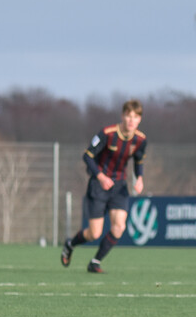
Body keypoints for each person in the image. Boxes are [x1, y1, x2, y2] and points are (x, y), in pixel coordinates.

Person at [59, 99, 148, 273]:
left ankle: (95, 262)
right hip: (98, 186)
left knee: (119, 226)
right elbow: (87, 156)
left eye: (135, 117)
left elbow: (139, 160)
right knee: (94, 233)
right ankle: (70, 244)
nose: (131, 120)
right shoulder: (107, 134)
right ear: (122, 116)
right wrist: (100, 176)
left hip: (119, 186)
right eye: (128, 116)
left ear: (139, 120)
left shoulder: (140, 140)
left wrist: (140, 178)